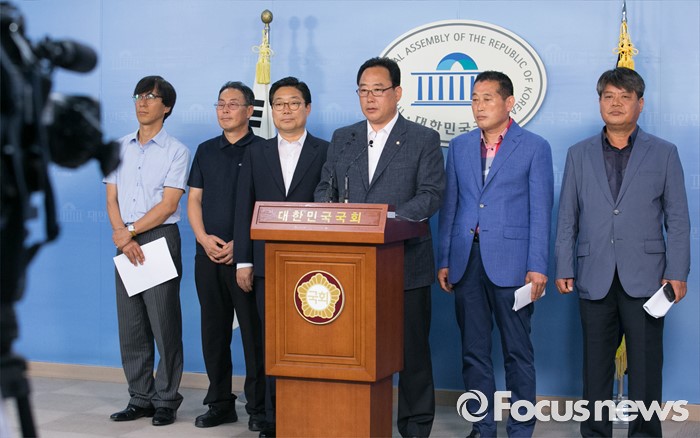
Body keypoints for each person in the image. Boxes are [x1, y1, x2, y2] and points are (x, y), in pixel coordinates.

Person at [555, 67, 690, 437]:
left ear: (640, 104)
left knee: (646, 367)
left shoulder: (664, 153)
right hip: (593, 274)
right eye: (608, 97)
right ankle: (595, 433)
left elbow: (678, 219)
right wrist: (564, 265)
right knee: (595, 366)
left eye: (624, 97)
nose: (615, 104)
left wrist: (677, 272)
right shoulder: (578, 154)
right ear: (599, 102)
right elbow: (567, 216)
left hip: (648, 278)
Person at [314, 57, 445, 438]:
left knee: (411, 350)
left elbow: (431, 194)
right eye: (363, 91)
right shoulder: (344, 138)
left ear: (397, 93)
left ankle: (415, 426)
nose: (370, 98)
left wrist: (385, 222)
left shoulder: (422, 138)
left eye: (378, 90)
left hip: (405, 263)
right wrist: (330, 213)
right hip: (350, 266)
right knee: (355, 348)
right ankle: (354, 418)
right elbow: (325, 189)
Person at [437, 71, 553, 438]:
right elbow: (451, 207)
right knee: (473, 352)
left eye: (487, 98)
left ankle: (520, 428)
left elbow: (541, 211)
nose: (479, 106)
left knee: (518, 352)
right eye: (474, 99)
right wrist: (445, 258)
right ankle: (482, 427)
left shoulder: (534, 147)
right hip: (466, 262)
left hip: (514, 266)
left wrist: (537, 266)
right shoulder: (459, 147)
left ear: (509, 103)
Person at [234, 76, 329, 438]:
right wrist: (244, 260)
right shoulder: (255, 152)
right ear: (270, 110)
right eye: (278, 104)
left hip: (314, 266)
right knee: (272, 342)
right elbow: (244, 206)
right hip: (266, 264)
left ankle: (311, 411)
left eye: (293, 103)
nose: (286, 110)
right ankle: (274, 419)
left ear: (307, 108)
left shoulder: (327, 150)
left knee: (310, 341)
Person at [104, 75, 190, 426]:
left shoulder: (177, 151)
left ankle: (166, 399)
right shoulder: (118, 147)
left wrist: (131, 233)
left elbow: (169, 204)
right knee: (131, 324)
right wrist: (123, 236)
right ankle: (140, 396)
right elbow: (111, 197)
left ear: (166, 107)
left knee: (164, 323)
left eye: (151, 96)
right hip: (124, 239)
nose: (143, 102)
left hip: (158, 238)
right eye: (139, 95)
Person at [187, 81, 265, 430]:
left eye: (233, 104)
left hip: (245, 258)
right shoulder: (205, 150)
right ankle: (219, 402)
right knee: (214, 332)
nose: (225, 110)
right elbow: (194, 199)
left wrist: (241, 244)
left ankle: (259, 407)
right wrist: (203, 239)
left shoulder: (263, 150)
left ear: (250, 110)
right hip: (207, 256)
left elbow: (266, 205)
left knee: (253, 333)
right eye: (220, 103)